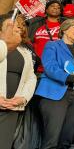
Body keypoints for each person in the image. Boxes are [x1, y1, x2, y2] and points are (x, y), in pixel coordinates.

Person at [35, 19, 74, 149]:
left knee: (67, 138)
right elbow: (50, 67)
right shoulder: (52, 45)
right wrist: (71, 78)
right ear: (64, 30)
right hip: (55, 95)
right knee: (52, 139)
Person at [0, 13, 37, 149]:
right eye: (11, 26)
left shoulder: (25, 52)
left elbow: (31, 78)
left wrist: (23, 98)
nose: (17, 29)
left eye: (18, 27)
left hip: (11, 108)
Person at [27, 0, 66, 76]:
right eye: (52, 6)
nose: (55, 9)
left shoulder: (65, 26)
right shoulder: (35, 24)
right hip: (35, 66)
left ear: (61, 12)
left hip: (56, 67)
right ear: (46, 9)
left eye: (58, 8)